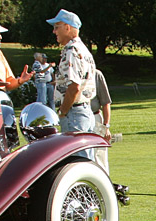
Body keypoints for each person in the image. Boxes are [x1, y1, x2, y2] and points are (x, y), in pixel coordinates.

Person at [48, 8, 96, 149]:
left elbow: (74, 86)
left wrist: (63, 112)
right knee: (84, 161)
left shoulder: (72, 50)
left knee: (76, 160)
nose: (54, 31)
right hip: (84, 112)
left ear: (67, 27)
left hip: (74, 114)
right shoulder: (83, 49)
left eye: (57, 27)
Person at [91, 70, 112, 174]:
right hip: (75, 119)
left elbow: (106, 102)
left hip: (95, 118)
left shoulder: (96, 74)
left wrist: (106, 126)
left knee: (99, 156)